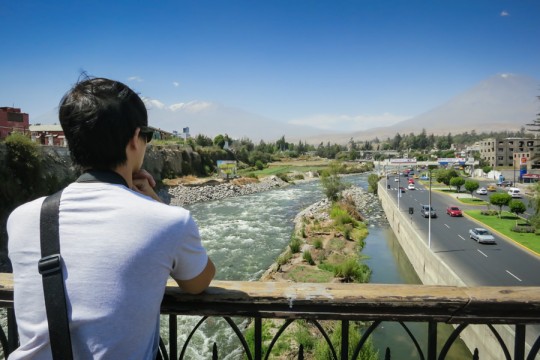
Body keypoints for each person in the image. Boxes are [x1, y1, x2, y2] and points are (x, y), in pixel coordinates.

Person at [7, 77, 215, 359]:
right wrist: (153, 199)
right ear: (134, 139)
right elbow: (198, 282)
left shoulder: (22, 218)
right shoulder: (170, 222)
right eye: (147, 136)